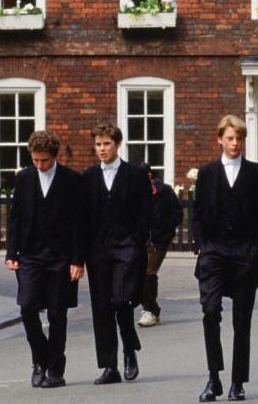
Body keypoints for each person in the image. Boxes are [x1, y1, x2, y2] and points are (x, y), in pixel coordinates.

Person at [191, 115, 258, 402]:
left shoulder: (257, 173)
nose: (235, 143)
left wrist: (257, 248)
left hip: (244, 252)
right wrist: (201, 246)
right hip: (213, 251)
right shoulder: (207, 172)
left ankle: (237, 382)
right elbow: (197, 213)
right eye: (229, 138)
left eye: (238, 138)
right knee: (210, 311)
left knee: (242, 319)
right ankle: (213, 377)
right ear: (219, 140)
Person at [5, 130, 86, 389]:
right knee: (27, 307)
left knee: (57, 313)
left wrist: (77, 260)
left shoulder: (72, 180)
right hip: (30, 254)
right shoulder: (24, 178)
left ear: (55, 156)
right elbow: (15, 217)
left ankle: (56, 370)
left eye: (44, 161)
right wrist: (11, 252)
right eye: (35, 160)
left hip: (61, 257)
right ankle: (39, 360)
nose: (39, 165)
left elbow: (78, 223)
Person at [83, 123, 152, 385]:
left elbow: (146, 211)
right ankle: (109, 367)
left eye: (107, 144)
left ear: (117, 144)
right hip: (98, 251)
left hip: (127, 247)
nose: (102, 149)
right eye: (98, 144)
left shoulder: (134, 174)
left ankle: (128, 349)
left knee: (122, 301)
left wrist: (136, 240)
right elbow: (83, 217)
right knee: (102, 308)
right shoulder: (89, 177)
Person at [138, 172, 183, 326]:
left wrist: (163, 230)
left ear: (149, 176)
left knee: (148, 272)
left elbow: (177, 214)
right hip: (139, 240)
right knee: (139, 274)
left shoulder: (164, 191)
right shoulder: (133, 192)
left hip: (158, 241)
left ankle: (149, 310)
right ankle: (152, 308)